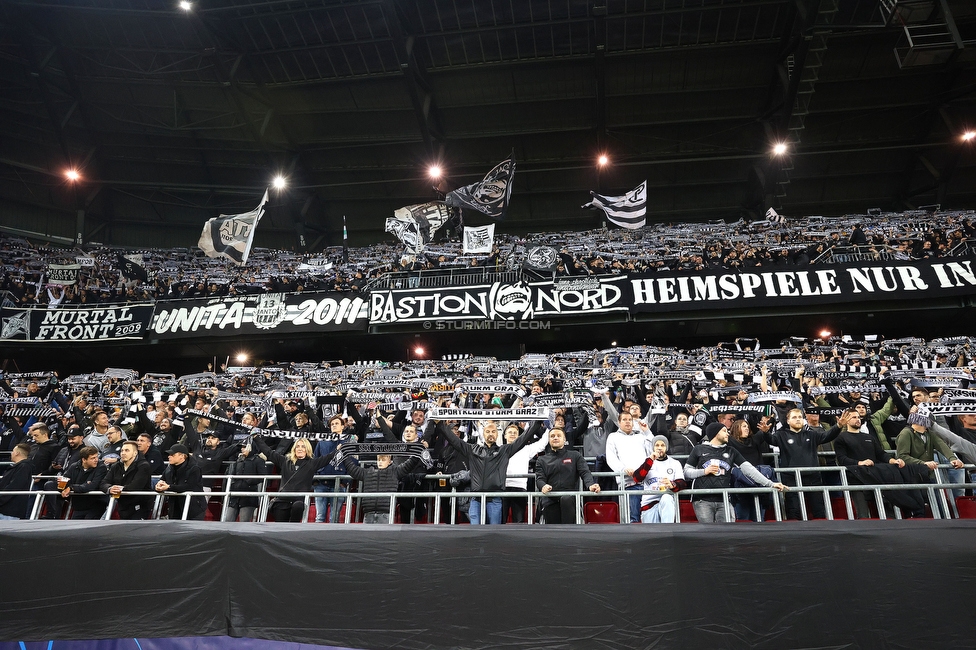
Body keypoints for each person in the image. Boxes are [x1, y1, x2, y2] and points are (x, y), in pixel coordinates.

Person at [432, 419, 537, 525]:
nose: (490, 434)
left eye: (493, 431)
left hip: (495, 499)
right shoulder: (472, 449)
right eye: (487, 431)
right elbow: (454, 440)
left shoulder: (504, 451)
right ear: (483, 434)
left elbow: (523, 439)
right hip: (476, 499)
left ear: (497, 434)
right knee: (475, 533)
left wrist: (537, 422)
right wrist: (440, 424)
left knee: (493, 533)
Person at [684, 423, 787, 523]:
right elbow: (687, 473)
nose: (728, 434)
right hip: (702, 499)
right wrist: (704, 471)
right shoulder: (698, 449)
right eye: (724, 431)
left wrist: (771, 483)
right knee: (707, 534)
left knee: (727, 533)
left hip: (724, 499)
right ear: (715, 434)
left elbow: (750, 470)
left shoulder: (731, 451)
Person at [768, 408, 841, 520]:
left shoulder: (812, 435)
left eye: (799, 417)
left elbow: (828, 436)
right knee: (793, 509)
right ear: (788, 421)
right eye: (794, 417)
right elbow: (771, 440)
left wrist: (838, 426)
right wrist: (764, 432)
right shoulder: (781, 435)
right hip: (791, 478)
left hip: (813, 477)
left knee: (819, 509)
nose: (797, 419)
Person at [252, 435, 336, 522]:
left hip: (298, 501)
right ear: (294, 449)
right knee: (279, 528)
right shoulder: (285, 461)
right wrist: (256, 438)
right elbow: (268, 452)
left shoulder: (312, 463)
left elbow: (328, 457)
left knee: (298, 506)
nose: (300, 449)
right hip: (282, 501)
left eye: (303, 446)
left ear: (307, 449)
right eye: (297, 446)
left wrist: (340, 447)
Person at [535, 428, 600, 523]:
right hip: (550, 499)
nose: (555, 438)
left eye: (558, 436)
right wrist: (543, 486)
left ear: (564, 439)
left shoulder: (575, 455)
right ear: (549, 440)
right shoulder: (541, 460)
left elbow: (585, 472)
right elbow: (539, 479)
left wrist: (590, 485)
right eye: (552, 436)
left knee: (566, 499)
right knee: (552, 530)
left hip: (570, 499)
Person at [341, 451, 420, 524]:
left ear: (389, 461)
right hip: (369, 513)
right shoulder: (368, 472)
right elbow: (352, 469)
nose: (380, 462)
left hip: (386, 514)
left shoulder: (395, 472)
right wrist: (344, 454)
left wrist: (418, 450)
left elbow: (409, 464)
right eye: (379, 460)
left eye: (383, 460)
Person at [605, 411, 654, 523]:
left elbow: (654, 450)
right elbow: (611, 458)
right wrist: (623, 469)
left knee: (651, 519)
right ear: (619, 422)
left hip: (647, 483)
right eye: (624, 420)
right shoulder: (613, 437)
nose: (627, 422)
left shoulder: (640, 436)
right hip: (628, 484)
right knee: (632, 520)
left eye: (629, 420)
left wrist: (647, 431)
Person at [631, 435, 686, 523]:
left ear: (666, 447)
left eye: (662, 445)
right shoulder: (647, 461)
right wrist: (650, 460)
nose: (660, 448)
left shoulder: (675, 463)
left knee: (666, 497)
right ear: (653, 447)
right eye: (657, 445)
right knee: (652, 535)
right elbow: (637, 478)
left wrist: (672, 485)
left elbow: (682, 483)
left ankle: (668, 532)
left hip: (668, 504)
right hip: (649, 505)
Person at [503, 423, 549, 524]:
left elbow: (542, 444)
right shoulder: (499, 450)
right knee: (500, 521)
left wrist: (549, 427)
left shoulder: (526, 449)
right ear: (505, 435)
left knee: (519, 522)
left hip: (519, 488)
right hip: (502, 488)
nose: (512, 434)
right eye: (510, 432)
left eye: (515, 433)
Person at [312, 415, 354, 524]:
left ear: (343, 426)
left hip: (339, 484)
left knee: (333, 519)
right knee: (319, 518)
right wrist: (315, 481)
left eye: (337, 424)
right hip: (321, 484)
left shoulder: (349, 442)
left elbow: (353, 463)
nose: (334, 426)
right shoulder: (322, 442)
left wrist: (345, 482)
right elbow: (314, 462)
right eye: (332, 424)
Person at [99, 440, 153, 520]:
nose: (123, 453)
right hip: (122, 506)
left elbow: (135, 486)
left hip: (139, 507)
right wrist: (110, 488)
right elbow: (103, 483)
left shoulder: (144, 466)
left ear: (135, 453)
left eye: (127, 450)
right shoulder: (116, 466)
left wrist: (118, 489)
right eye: (122, 450)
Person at [155, 443, 207, 520]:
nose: (169, 456)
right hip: (174, 508)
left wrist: (169, 487)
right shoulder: (168, 469)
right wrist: (158, 486)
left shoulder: (194, 469)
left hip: (193, 509)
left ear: (182, 456)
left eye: (172, 455)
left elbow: (189, 487)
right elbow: (162, 480)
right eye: (169, 454)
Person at [223, 440, 268, 523]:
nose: (242, 449)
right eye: (241, 447)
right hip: (235, 497)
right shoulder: (238, 460)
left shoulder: (258, 460)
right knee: (227, 522)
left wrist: (249, 481)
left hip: (248, 497)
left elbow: (263, 476)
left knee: (244, 523)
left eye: (244, 447)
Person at [60, 446, 109, 520]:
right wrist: (61, 485)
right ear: (84, 459)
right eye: (92, 458)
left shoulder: (101, 467)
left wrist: (72, 487)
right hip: (78, 505)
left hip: (95, 505)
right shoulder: (74, 466)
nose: (96, 460)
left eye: (96, 457)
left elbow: (92, 486)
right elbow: (65, 481)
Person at [0, 443, 34, 520]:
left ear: (17, 453)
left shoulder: (24, 467)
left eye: (13, 451)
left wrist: (1, 499)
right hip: (5, 509)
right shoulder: (18, 467)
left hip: (10, 511)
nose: (11, 453)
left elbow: (14, 486)